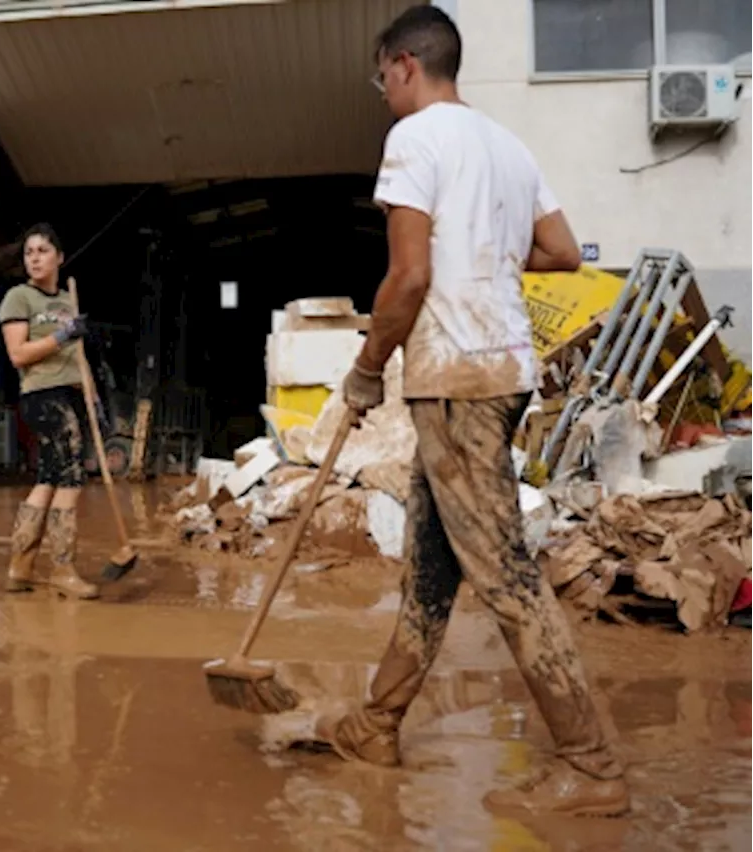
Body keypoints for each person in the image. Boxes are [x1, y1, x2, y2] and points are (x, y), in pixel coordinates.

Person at [323, 7, 629, 816]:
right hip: (503, 370)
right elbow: (562, 251)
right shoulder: (506, 145)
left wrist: (364, 369)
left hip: (455, 377)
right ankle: (377, 721)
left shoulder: (415, 140)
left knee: (506, 578)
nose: (382, 90)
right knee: (431, 565)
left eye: (380, 76)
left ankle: (591, 767)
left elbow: (408, 278)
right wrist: (488, 249)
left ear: (401, 65)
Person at [0, 223, 100, 600]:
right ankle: (62, 569)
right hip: (43, 394)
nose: (35, 258)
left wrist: (92, 395)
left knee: (48, 478)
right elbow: (18, 354)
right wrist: (61, 335)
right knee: (71, 478)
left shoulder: (65, 301)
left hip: (70, 393)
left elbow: (78, 357)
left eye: (42, 250)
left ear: (59, 256)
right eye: (29, 252)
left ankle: (20, 568)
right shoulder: (18, 298)